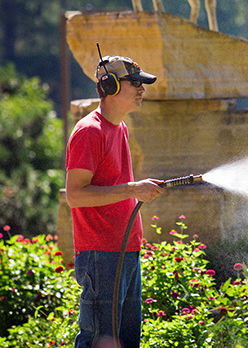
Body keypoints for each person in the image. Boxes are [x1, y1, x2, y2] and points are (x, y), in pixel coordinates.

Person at [65, 55, 164, 348]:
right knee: (99, 340)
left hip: (125, 250)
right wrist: (133, 189)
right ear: (109, 85)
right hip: (101, 253)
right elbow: (75, 195)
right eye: (135, 83)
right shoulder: (89, 131)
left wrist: (135, 190)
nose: (141, 89)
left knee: (126, 340)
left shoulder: (118, 128)